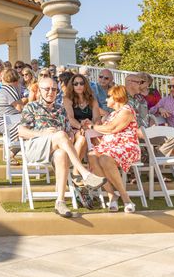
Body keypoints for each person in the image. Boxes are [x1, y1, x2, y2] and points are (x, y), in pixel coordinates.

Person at [18, 77, 106, 218]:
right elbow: (21, 132)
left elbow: (69, 131)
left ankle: (60, 202)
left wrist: (70, 136)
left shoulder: (60, 109)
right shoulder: (31, 107)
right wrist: (42, 133)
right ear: (39, 91)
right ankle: (84, 174)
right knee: (59, 135)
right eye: (46, 89)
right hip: (36, 147)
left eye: (54, 89)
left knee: (61, 154)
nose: (50, 92)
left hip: (56, 148)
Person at [88, 85, 141, 213]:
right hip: (110, 147)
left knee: (105, 159)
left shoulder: (126, 111)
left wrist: (92, 127)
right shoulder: (112, 114)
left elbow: (112, 128)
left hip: (126, 146)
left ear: (116, 97)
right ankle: (112, 194)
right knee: (92, 156)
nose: (106, 100)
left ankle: (125, 198)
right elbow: (104, 130)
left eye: (108, 96)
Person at [62, 73, 100, 182]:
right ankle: (76, 171)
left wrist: (92, 125)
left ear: (85, 85)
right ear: (72, 86)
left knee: (97, 139)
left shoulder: (92, 99)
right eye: (75, 84)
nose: (79, 86)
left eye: (81, 83)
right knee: (83, 136)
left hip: (90, 127)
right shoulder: (67, 99)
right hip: (74, 128)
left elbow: (97, 117)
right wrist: (81, 126)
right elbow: (70, 118)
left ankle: (98, 170)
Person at [0, 68, 28, 146]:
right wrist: (27, 100)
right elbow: (19, 108)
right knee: (34, 126)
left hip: (7, 122)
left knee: (32, 125)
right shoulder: (10, 89)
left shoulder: (4, 89)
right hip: (10, 124)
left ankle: (13, 153)